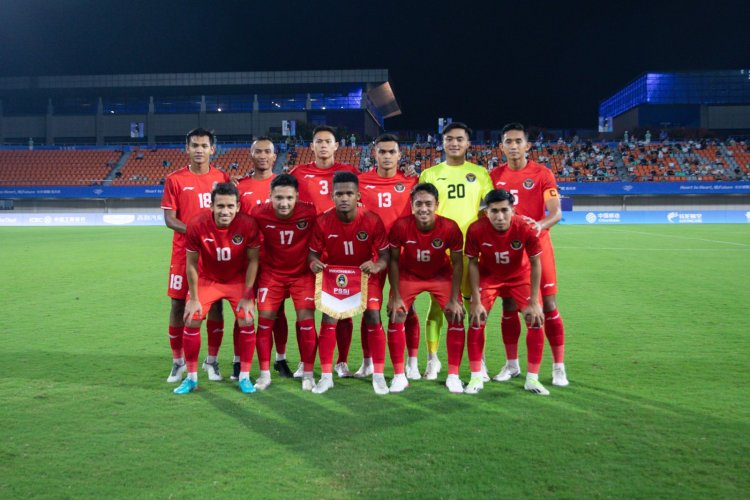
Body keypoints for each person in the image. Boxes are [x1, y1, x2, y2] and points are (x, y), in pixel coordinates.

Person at [490, 123, 569, 387]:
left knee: (548, 306)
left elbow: (556, 212)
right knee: (509, 305)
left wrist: (539, 225)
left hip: (537, 246)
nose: (513, 146)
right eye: (508, 142)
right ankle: (512, 365)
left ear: (527, 145)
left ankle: (558, 366)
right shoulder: (493, 175)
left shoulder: (542, 173)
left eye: (518, 141)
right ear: (502, 146)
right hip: (507, 250)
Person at [418, 122, 493, 381]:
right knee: (438, 307)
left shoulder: (480, 173)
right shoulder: (430, 173)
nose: (454, 143)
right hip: (441, 250)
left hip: (471, 252)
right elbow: (421, 211)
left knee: (474, 306)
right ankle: (432, 360)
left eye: (460, 139)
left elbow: (489, 208)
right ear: (442, 142)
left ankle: (478, 361)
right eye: (449, 139)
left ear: (468, 143)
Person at [174, 182, 261, 394]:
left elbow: (253, 261)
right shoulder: (196, 224)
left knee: (247, 317)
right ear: (211, 206)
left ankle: (244, 377)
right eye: (220, 206)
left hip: (236, 280)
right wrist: (193, 298)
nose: (225, 211)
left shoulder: (248, 224)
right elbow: (192, 264)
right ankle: (192, 378)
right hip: (207, 280)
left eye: (230, 206)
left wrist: (249, 295)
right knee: (192, 317)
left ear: (238, 207)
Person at [308, 172, 390, 394]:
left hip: (364, 275)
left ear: (358, 196)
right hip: (335, 276)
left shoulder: (372, 219)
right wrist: (314, 264)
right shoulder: (323, 221)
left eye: (349, 193)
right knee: (329, 316)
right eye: (339, 194)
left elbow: (385, 255)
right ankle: (326, 376)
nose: (344, 198)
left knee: (373, 315)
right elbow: (312, 255)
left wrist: (376, 266)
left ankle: (379, 375)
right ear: (332, 196)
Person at [290, 126, 361, 378]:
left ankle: (341, 362)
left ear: (336, 145)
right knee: (305, 310)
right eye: (318, 141)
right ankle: (305, 361)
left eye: (327, 141)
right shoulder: (298, 173)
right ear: (311, 146)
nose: (322, 145)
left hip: (342, 250)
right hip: (308, 252)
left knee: (342, 308)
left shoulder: (349, 172)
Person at [161, 128, 229, 384]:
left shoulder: (222, 177)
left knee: (216, 304)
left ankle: (211, 361)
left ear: (213, 149)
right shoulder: (175, 179)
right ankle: (178, 361)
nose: (199, 149)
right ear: (186, 148)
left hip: (215, 254)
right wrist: (196, 232)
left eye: (204, 145)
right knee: (178, 304)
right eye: (194, 145)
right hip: (183, 253)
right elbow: (169, 219)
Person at [465, 189, 548, 395]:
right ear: (486, 212)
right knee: (476, 318)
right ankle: (476, 375)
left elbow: (536, 263)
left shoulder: (526, 227)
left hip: (519, 276)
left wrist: (535, 302)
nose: (500, 216)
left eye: (504, 210)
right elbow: (472, 264)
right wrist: (475, 300)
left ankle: (532, 379)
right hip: (489, 277)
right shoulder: (476, 229)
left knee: (534, 317)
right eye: (494, 211)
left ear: (513, 210)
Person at [387, 183, 465, 393]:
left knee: (456, 315)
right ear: (412, 205)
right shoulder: (400, 226)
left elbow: (458, 263)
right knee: (396, 314)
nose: (423, 208)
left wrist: (455, 297)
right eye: (418, 204)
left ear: (437, 205)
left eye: (428, 204)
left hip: (440, 275)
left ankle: (453, 376)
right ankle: (398, 376)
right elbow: (393, 261)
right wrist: (394, 295)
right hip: (409, 274)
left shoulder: (450, 227)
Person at [355, 133, 420, 379]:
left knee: (406, 309)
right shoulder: (361, 181)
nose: (386, 156)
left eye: (391, 152)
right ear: (374, 154)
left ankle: (412, 362)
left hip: (403, 255)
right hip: (371, 256)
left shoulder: (411, 182)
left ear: (399, 155)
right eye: (382, 151)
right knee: (369, 310)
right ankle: (368, 362)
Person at [251, 174, 319, 391]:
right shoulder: (259, 214)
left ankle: (308, 373)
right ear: (270, 196)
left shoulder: (310, 212)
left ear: (297, 197)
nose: (284, 203)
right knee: (264, 322)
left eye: (289, 198)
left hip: (302, 275)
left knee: (306, 321)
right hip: (271, 275)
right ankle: (264, 375)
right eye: (278, 198)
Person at [237, 137, 293, 379]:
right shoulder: (240, 187)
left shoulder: (284, 186)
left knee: (277, 312)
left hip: (277, 261)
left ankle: (280, 359)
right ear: (251, 155)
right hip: (248, 261)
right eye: (257, 151)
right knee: (244, 311)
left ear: (274, 156)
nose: (262, 155)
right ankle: (239, 361)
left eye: (267, 152)